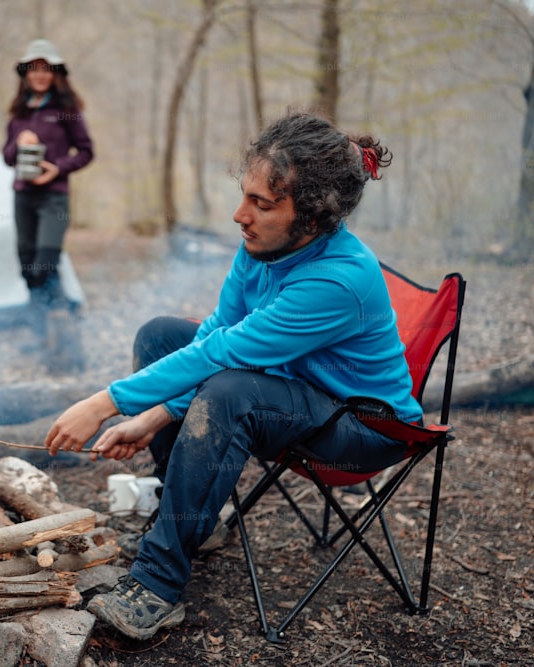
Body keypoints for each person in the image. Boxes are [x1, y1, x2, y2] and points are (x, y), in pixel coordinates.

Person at [44, 110, 414, 640]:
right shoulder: (262, 248)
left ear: (313, 216)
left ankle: (157, 585)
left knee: (228, 391)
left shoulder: (339, 280)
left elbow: (227, 355)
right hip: (293, 398)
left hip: (362, 428)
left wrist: (105, 403)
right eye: (245, 195)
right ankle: (199, 520)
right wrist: (154, 415)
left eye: (262, 203)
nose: (239, 214)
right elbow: (214, 333)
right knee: (161, 335)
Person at [2, 39, 94, 319]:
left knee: (44, 264)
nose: (39, 74)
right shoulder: (19, 111)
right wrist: (18, 143)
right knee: (27, 266)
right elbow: (6, 158)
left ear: (55, 74)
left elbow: (87, 151)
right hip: (23, 196)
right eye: (34, 69)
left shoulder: (66, 109)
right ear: (26, 74)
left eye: (46, 69)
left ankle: (62, 316)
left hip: (54, 197)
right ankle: (42, 326)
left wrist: (57, 168)